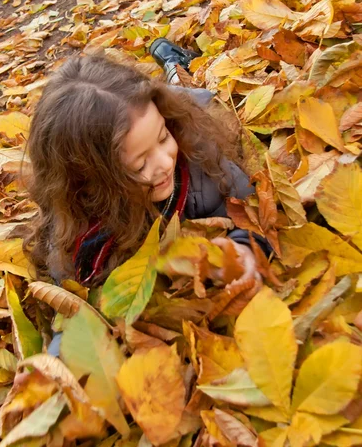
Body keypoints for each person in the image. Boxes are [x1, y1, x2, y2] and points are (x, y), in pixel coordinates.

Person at [26, 39, 269, 293]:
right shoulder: (79, 229)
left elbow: (251, 209)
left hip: (182, 103)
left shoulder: (195, 148)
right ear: (90, 182)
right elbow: (72, 301)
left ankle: (173, 62)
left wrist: (245, 250)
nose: (165, 163)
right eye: (140, 165)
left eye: (163, 137)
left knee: (181, 88)